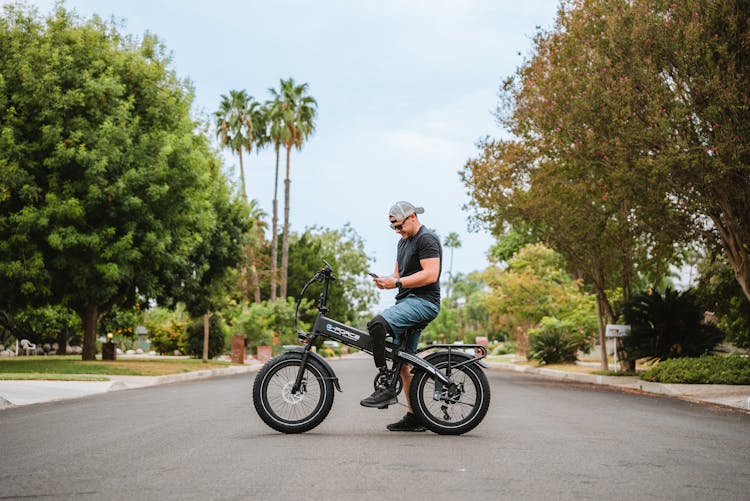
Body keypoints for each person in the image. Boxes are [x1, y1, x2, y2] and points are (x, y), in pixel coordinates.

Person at [360, 201, 442, 432]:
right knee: (403, 360)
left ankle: (386, 385)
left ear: (412, 217)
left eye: (400, 226)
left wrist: (396, 282)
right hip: (407, 302)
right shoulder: (402, 243)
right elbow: (398, 275)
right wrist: (386, 282)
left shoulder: (427, 239)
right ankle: (414, 416)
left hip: (423, 302)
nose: (398, 231)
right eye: (393, 228)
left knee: (377, 325)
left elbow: (430, 274)